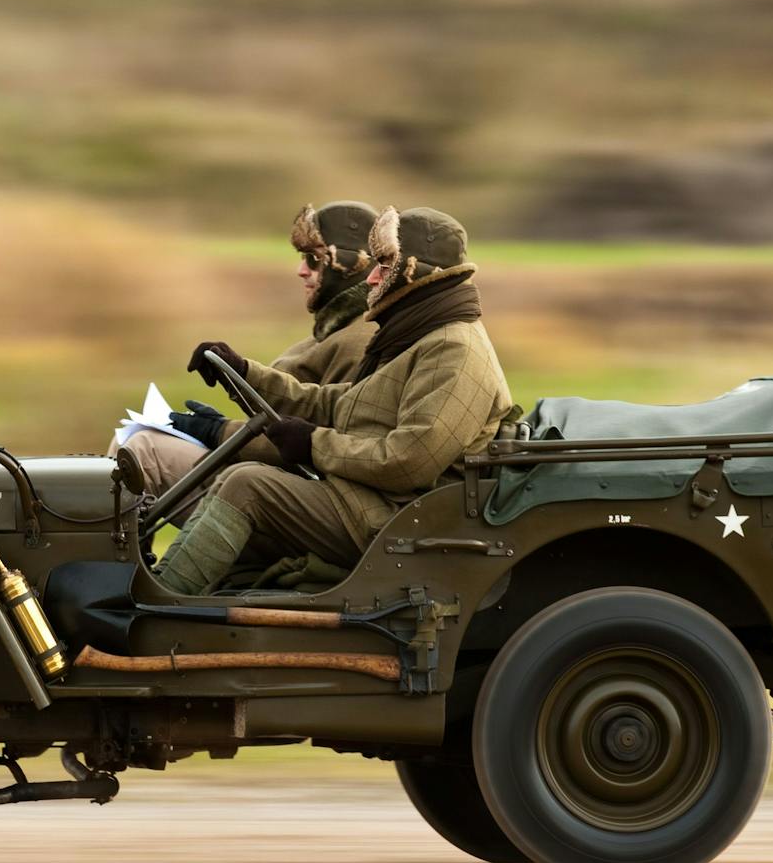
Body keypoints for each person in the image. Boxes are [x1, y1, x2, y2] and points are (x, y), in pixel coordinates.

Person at [153, 206, 515, 596]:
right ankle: (172, 593)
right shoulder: (424, 338)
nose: (372, 277)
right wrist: (243, 373)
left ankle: (157, 600)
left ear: (418, 271)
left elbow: (409, 461)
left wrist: (312, 445)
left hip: (398, 520)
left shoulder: (453, 349)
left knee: (247, 485)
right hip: (375, 503)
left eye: (385, 264)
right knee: (234, 478)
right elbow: (336, 404)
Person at [119, 202, 378, 508]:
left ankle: (103, 551)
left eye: (313, 259)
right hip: (269, 475)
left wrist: (218, 432)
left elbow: (322, 445)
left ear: (349, 266)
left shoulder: (358, 341)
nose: (301, 270)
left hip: (289, 493)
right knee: (127, 448)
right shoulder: (333, 331)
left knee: (142, 449)